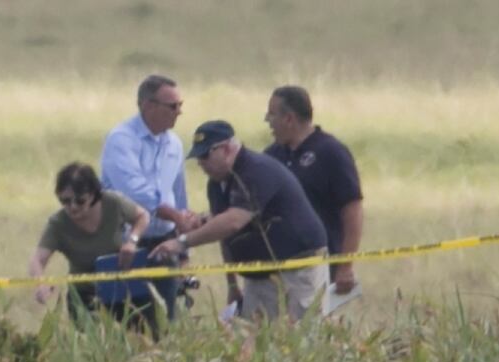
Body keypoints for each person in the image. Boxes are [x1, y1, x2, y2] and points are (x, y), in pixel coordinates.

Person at [150, 120, 329, 322]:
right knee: (256, 341)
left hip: (297, 272)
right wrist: (232, 284)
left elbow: (234, 221)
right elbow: (226, 234)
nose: (200, 163)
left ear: (226, 149)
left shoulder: (255, 170)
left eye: (205, 155)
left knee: (299, 336)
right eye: (197, 157)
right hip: (258, 276)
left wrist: (182, 242)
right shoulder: (216, 184)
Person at [100, 74, 190, 320]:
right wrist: (173, 214)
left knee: (165, 321)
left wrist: (184, 246)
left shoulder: (175, 145)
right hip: (126, 246)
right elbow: (133, 190)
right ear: (149, 106)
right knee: (126, 320)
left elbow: (179, 194)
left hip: (164, 244)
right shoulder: (121, 139)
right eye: (173, 106)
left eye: (181, 105)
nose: (179, 112)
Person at [264, 85, 363, 294]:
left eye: (272, 114)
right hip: (276, 269)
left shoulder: (331, 152)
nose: (267, 120)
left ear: (289, 119)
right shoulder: (271, 156)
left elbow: (352, 210)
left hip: (320, 266)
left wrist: (345, 266)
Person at [29, 162, 153, 328]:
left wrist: (132, 241)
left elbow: (143, 216)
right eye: (65, 201)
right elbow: (37, 259)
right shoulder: (58, 223)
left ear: (94, 196)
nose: (72, 207)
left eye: (80, 201)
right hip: (84, 296)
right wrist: (40, 283)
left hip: (123, 290)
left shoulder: (113, 203)